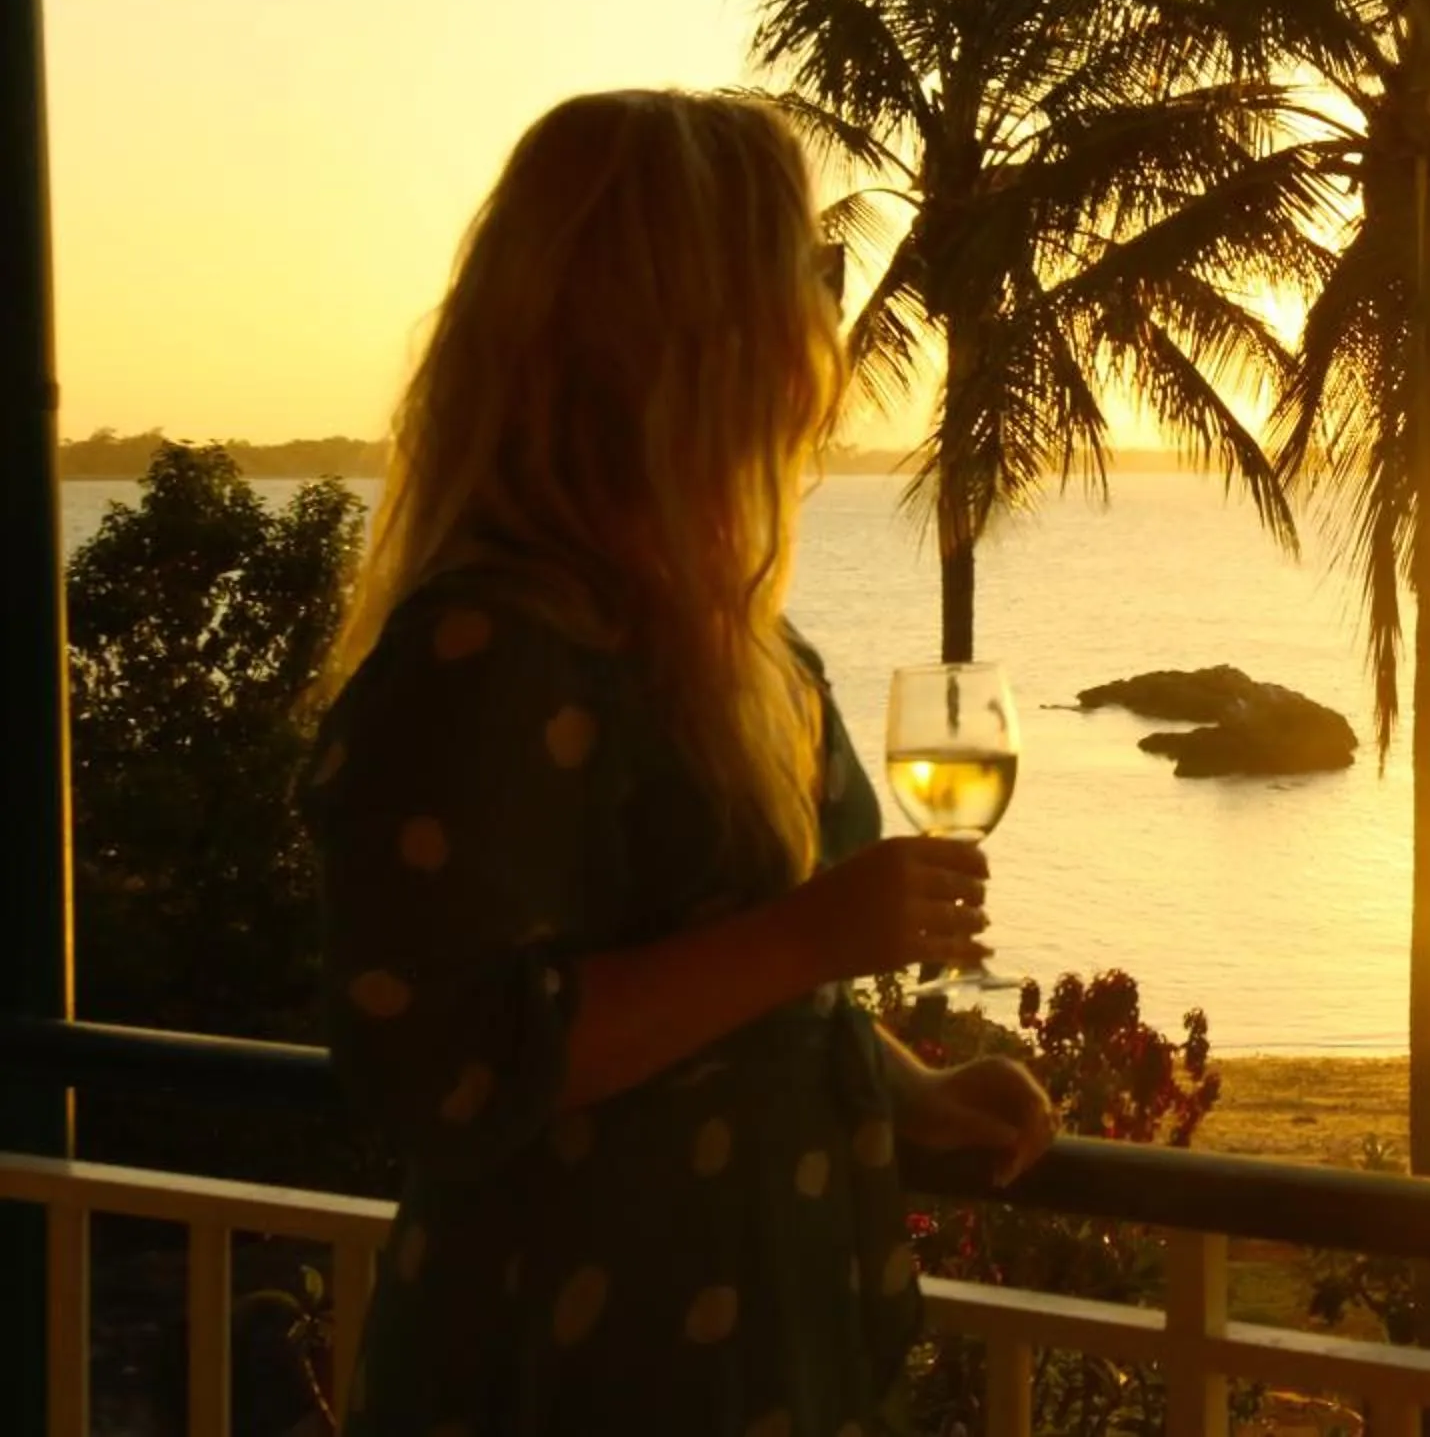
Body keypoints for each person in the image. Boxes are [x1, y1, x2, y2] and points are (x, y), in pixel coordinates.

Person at [302, 90, 1052, 1435]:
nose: (824, 319)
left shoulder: (742, 647)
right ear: (675, 327)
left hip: (761, 1352)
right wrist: (816, 934)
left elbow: (747, 998)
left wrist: (910, 1086)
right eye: (803, 273)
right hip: (577, 1364)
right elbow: (454, 1062)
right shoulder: (493, 650)